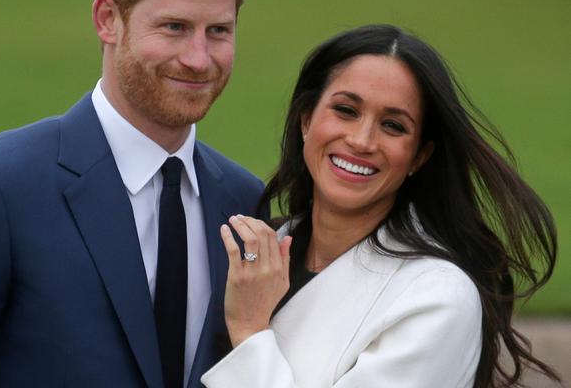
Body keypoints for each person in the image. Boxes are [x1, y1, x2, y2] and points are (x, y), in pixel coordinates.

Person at [0, 0, 264, 387]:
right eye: (175, 27)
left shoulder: (244, 204)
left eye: (219, 31)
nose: (198, 58)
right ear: (108, 19)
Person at [201, 25, 559, 388]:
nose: (361, 140)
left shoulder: (436, 297)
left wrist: (250, 332)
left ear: (419, 155)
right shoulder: (260, 252)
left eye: (392, 125)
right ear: (306, 119)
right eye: (345, 110)